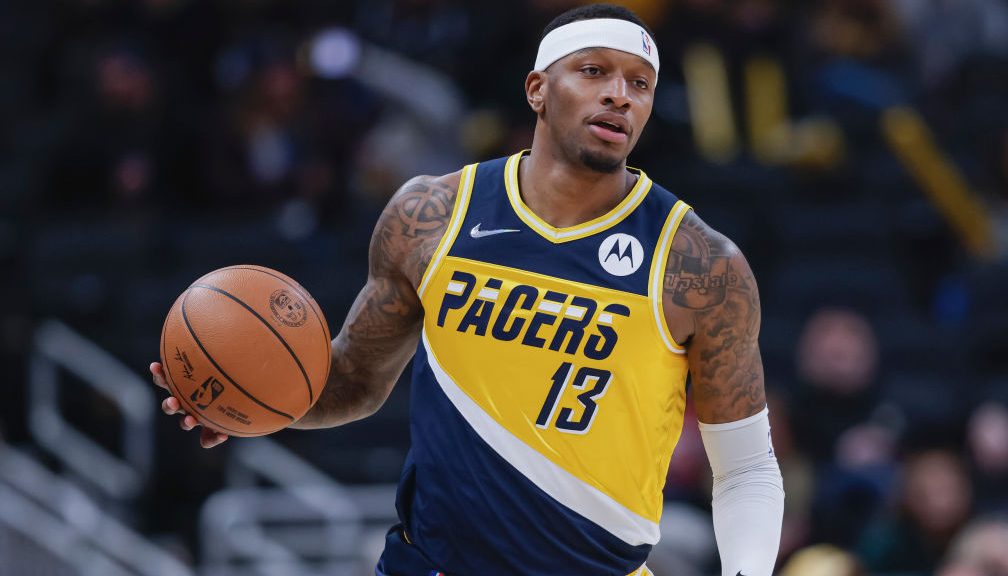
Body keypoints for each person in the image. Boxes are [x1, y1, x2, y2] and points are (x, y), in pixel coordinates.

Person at [150, 4, 784, 575]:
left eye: (639, 83)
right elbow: (354, 381)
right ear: (537, 89)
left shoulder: (700, 264)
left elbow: (748, 468)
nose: (619, 95)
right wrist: (252, 397)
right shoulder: (431, 215)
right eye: (594, 71)